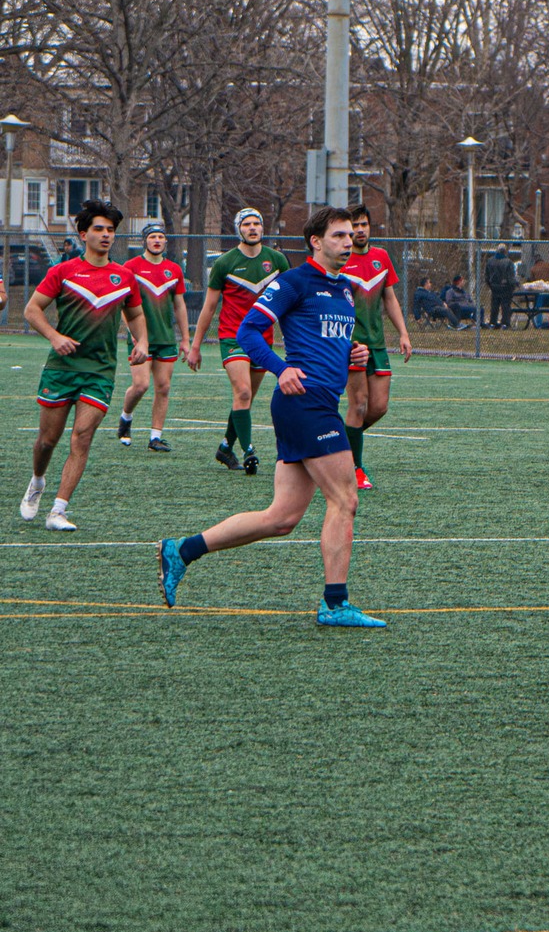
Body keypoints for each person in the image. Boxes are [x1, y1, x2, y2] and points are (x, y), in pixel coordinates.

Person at [159, 206, 384, 627]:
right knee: (345, 499)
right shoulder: (294, 281)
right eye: (337, 235)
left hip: (317, 403)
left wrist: (355, 352)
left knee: (281, 518)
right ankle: (335, 604)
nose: (347, 241)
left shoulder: (345, 289)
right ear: (315, 242)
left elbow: (328, 339)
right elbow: (247, 332)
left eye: (350, 235)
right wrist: (282, 369)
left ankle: (182, 550)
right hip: (305, 405)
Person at [20, 200, 149, 531]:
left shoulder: (124, 277)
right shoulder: (62, 271)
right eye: (99, 229)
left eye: (110, 230)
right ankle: (37, 482)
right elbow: (32, 310)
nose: (106, 235)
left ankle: (58, 511)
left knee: (82, 436)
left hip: (100, 370)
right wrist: (54, 336)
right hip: (61, 368)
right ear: (83, 234)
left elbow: (135, 314)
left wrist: (142, 342)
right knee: (47, 441)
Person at [185, 208, 289, 476]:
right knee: (242, 392)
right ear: (238, 229)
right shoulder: (224, 263)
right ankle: (249, 451)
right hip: (233, 336)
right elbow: (209, 308)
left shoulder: (277, 260)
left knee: (246, 398)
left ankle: (225, 446)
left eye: (257, 223)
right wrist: (195, 346)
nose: (253, 228)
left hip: (263, 339)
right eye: (247, 224)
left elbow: (290, 302)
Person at [341, 204, 412, 490]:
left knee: (379, 407)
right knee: (358, 405)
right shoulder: (340, 260)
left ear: (370, 227)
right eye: (354, 226)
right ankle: (354, 468)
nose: (359, 230)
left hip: (378, 344)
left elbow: (390, 299)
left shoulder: (381, 257)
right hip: (351, 345)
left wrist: (403, 334)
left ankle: (337, 445)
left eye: (363, 225)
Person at [115, 223, 189, 452]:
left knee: (163, 387)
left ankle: (155, 437)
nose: (157, 240)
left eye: (160, 237)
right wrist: (134, 334)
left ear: (166, 241)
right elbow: (122, 305)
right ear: (144, 241)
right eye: (152, 237)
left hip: (166, 338)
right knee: (140, 385)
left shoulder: (174, 269)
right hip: (141, 339)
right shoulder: (131, 267)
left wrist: (185, 339)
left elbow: (179, 305)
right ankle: (126, 418)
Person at [485, 244, 516, 328]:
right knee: (505, 306)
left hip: (494, 286)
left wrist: (490, 284)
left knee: (494, 305)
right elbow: (511, 277)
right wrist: (513, 285)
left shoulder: (490, 261)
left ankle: (493, 322)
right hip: (505, 287)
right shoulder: (508, 262)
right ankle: (505, 323)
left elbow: (487, 276)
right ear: (505, 251)